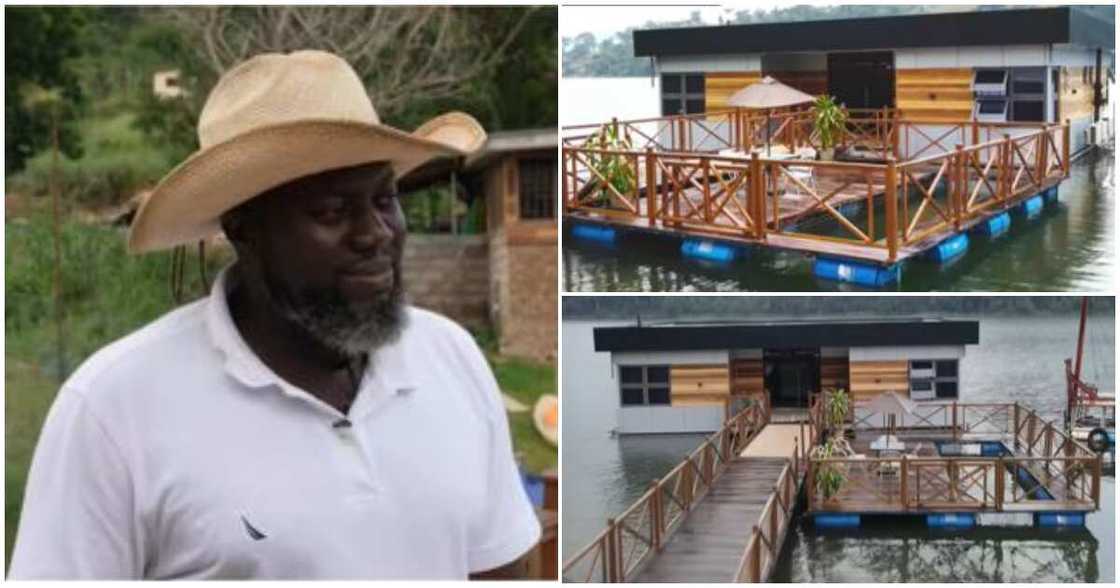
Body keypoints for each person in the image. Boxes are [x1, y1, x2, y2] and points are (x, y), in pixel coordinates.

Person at [9, 50, 541, 580]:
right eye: (333, 211)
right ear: (244, 228)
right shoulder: (112, 410)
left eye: (384, 199)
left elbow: (503, 566)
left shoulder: (450, 358)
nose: (374, 233)